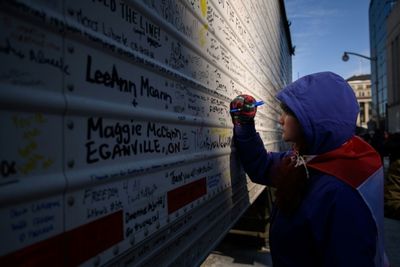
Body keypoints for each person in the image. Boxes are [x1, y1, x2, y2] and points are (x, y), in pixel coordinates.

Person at [230, 72, 388, 267]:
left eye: (288, 112)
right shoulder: (310, 159)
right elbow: (263, 166)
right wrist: (244, 125)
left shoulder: (341, 193)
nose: (281, 120)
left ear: (313, 119)